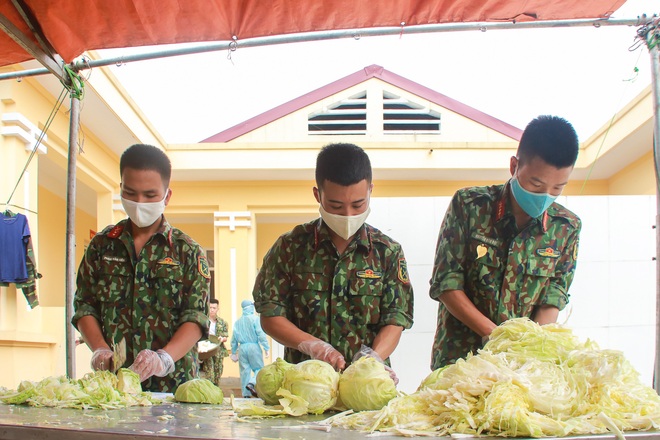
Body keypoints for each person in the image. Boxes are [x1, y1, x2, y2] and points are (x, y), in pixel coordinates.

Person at [429, 115, 581, 370]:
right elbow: (446, 282)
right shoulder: (469, 205)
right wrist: (495, 335)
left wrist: (530, 346)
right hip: (460, 360)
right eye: (536, 183)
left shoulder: (565, 227)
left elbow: (553, 295)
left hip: (521, 366)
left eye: (557, 188)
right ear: (514, 166)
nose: (545, 195)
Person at [252, 142, 414, 382]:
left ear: (370, 190)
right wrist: (313, 346)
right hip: (306, 385)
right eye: (336, 206)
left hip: (366, 387)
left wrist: (374, 359)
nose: (348, 215)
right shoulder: (290, 247)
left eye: (358, 204)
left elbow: (395, 319)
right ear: (318, 195)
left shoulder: (387, 252)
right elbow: (270, 315)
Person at [72, 143, 211, 392]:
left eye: (149, 195)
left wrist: (164, 359)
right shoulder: (101, 246)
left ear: (166, 196)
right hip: (114, 385)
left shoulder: (186, 251)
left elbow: (196, 317)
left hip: (173, 387)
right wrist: (100, 348)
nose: (139, 202)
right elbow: (84, 305)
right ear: (121, 190)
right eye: (130, 193)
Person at [230, 300, 270, 398]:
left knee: (244, 371)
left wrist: (234, 352)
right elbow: (261, 334)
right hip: (254, 346)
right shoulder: (255, 319)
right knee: (258, 368)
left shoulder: (237, 322)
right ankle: (252, 383)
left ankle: (246, 394)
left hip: (242, 348)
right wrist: (266, 347)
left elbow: (234, 339)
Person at [201, 298, 229, 387]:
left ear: (217, 309)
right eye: (210, 307)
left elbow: (225, 337)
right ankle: (210, 387)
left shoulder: (222, 322)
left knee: (218, 372)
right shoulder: (203, 321)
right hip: (207, 349)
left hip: (218, 350)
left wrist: (222, 339)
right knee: (209, 371)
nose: (212, 310)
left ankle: (216, 388)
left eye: (214, 308)